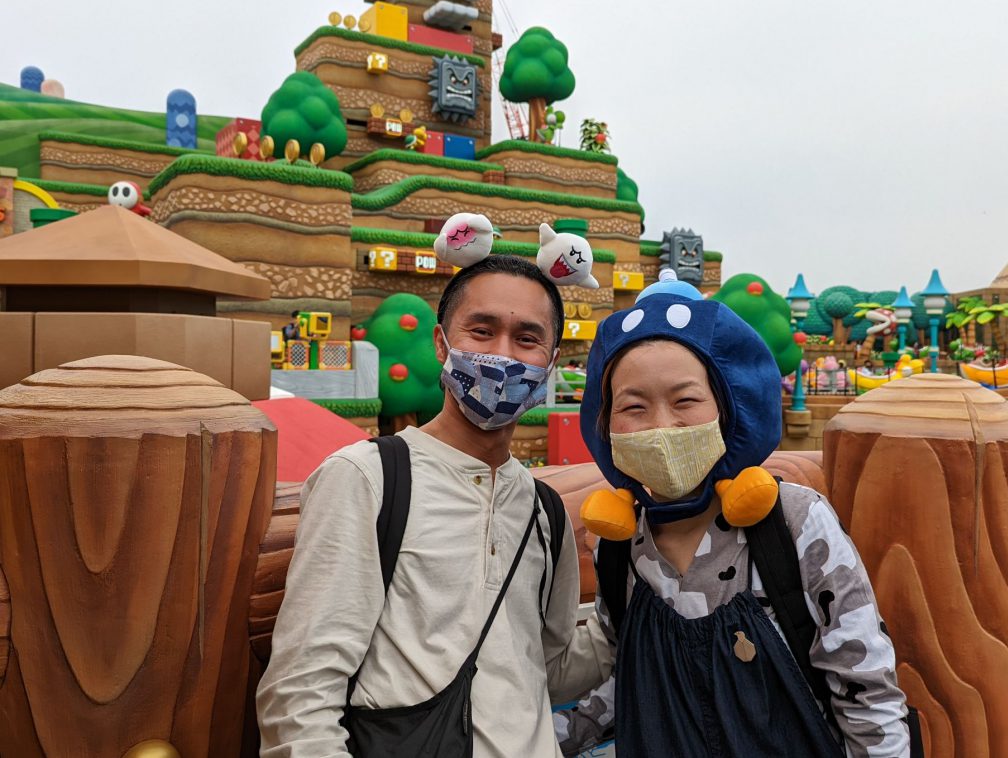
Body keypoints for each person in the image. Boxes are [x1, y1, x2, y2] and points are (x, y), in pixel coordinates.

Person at [257, 255, 613, 757]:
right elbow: (303, 690)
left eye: (526, 339)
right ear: (442, 344)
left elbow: (544, 671)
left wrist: (627, 603)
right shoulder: (367, 478)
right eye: (482, 331)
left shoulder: (543, 509)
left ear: (550, 362)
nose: (502, 354)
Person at [555, 279, 912, 757]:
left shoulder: (795, 523)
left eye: (685, 401)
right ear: (606, 423)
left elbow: (866, 690)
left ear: (727, 408)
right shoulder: (618, 547)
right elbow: (630, 677)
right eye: (633, 407)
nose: (661, 425)